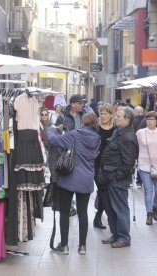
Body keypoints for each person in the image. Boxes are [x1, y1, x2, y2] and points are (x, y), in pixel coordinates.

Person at [47, 112, 101, 255]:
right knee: (83, 213)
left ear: (83, 122)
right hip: (87, 179)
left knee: (64, 212)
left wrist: (51, 129)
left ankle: (64, 246)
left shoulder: (75, 134)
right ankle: (82, 246)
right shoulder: (97, 138)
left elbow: (54, 141)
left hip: (69, 177)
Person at [98, 107, 138, 248]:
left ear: (127, 119)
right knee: (111, 209)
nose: (115, 118)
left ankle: (124, 238)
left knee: (120, 209)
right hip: (109, 178)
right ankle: (116, 234)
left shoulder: (128, 137)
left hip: (117, 180)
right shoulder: (119, 132)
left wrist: (115, 177)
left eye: (118, 116)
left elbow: (128, 163)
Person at [56, 94, 86, 216]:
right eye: (80, 103)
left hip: (82, 153)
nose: (82, 105)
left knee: (79, 178)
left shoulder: (84, 116)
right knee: (68, 177)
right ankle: (69, 204)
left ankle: (78, 203)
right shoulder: (63, 117)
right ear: (73, 103)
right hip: (67, 153)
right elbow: (57, 133)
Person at [93, 103, 115, 229]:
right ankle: (104, 216)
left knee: (105, 190)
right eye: (101, 114)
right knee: (102, 189)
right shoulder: (96, 127)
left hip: (110, 164)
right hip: (96, 163)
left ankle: (98, 216)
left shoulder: (115, 129)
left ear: (111, 115)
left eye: (105, 114)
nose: (103, 116)